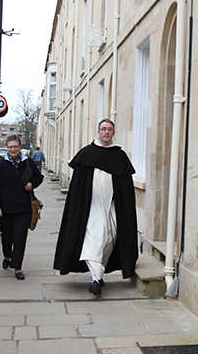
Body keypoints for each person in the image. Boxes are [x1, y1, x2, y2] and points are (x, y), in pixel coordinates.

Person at [53, 119, 138, 296]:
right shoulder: (87, 154)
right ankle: (95, 279)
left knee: (109, 239)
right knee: (94, 239)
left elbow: (125, 189)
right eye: (103, 129)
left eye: (109, 130)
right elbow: (78, 187)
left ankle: (97, 275)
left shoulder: (119, 156)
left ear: (113, 133)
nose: (106, 132)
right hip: (91, 207)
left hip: (111, 208)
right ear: (98, 131)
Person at [0, 134, 43, 280]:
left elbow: (39, 177)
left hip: (23, 208)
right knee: (7, 237)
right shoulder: (1, 165)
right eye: (10, 147)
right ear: (7, 148)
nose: (13, 149)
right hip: (5, 209)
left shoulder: (28, 163)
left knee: (20, 238)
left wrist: (32, 184)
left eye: (15, 146)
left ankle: (17, 268)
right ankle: (7, 256)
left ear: (20, 147)